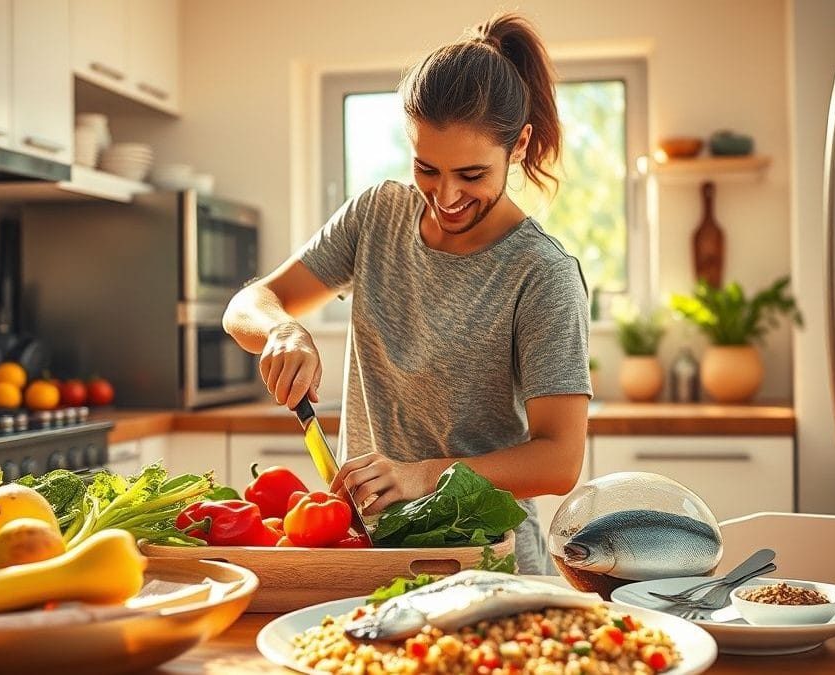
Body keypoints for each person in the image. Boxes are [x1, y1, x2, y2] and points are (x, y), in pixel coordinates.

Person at [222, 12, 591, 574]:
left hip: (483, 558)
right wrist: (282, 328)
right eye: (427, 167)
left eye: (471, 174)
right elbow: (247, 305)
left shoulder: (542, 274)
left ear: (518, 147)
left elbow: (559, 459)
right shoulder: (378, 216)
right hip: (365, 548)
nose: (445, 196)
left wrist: (422, 474)